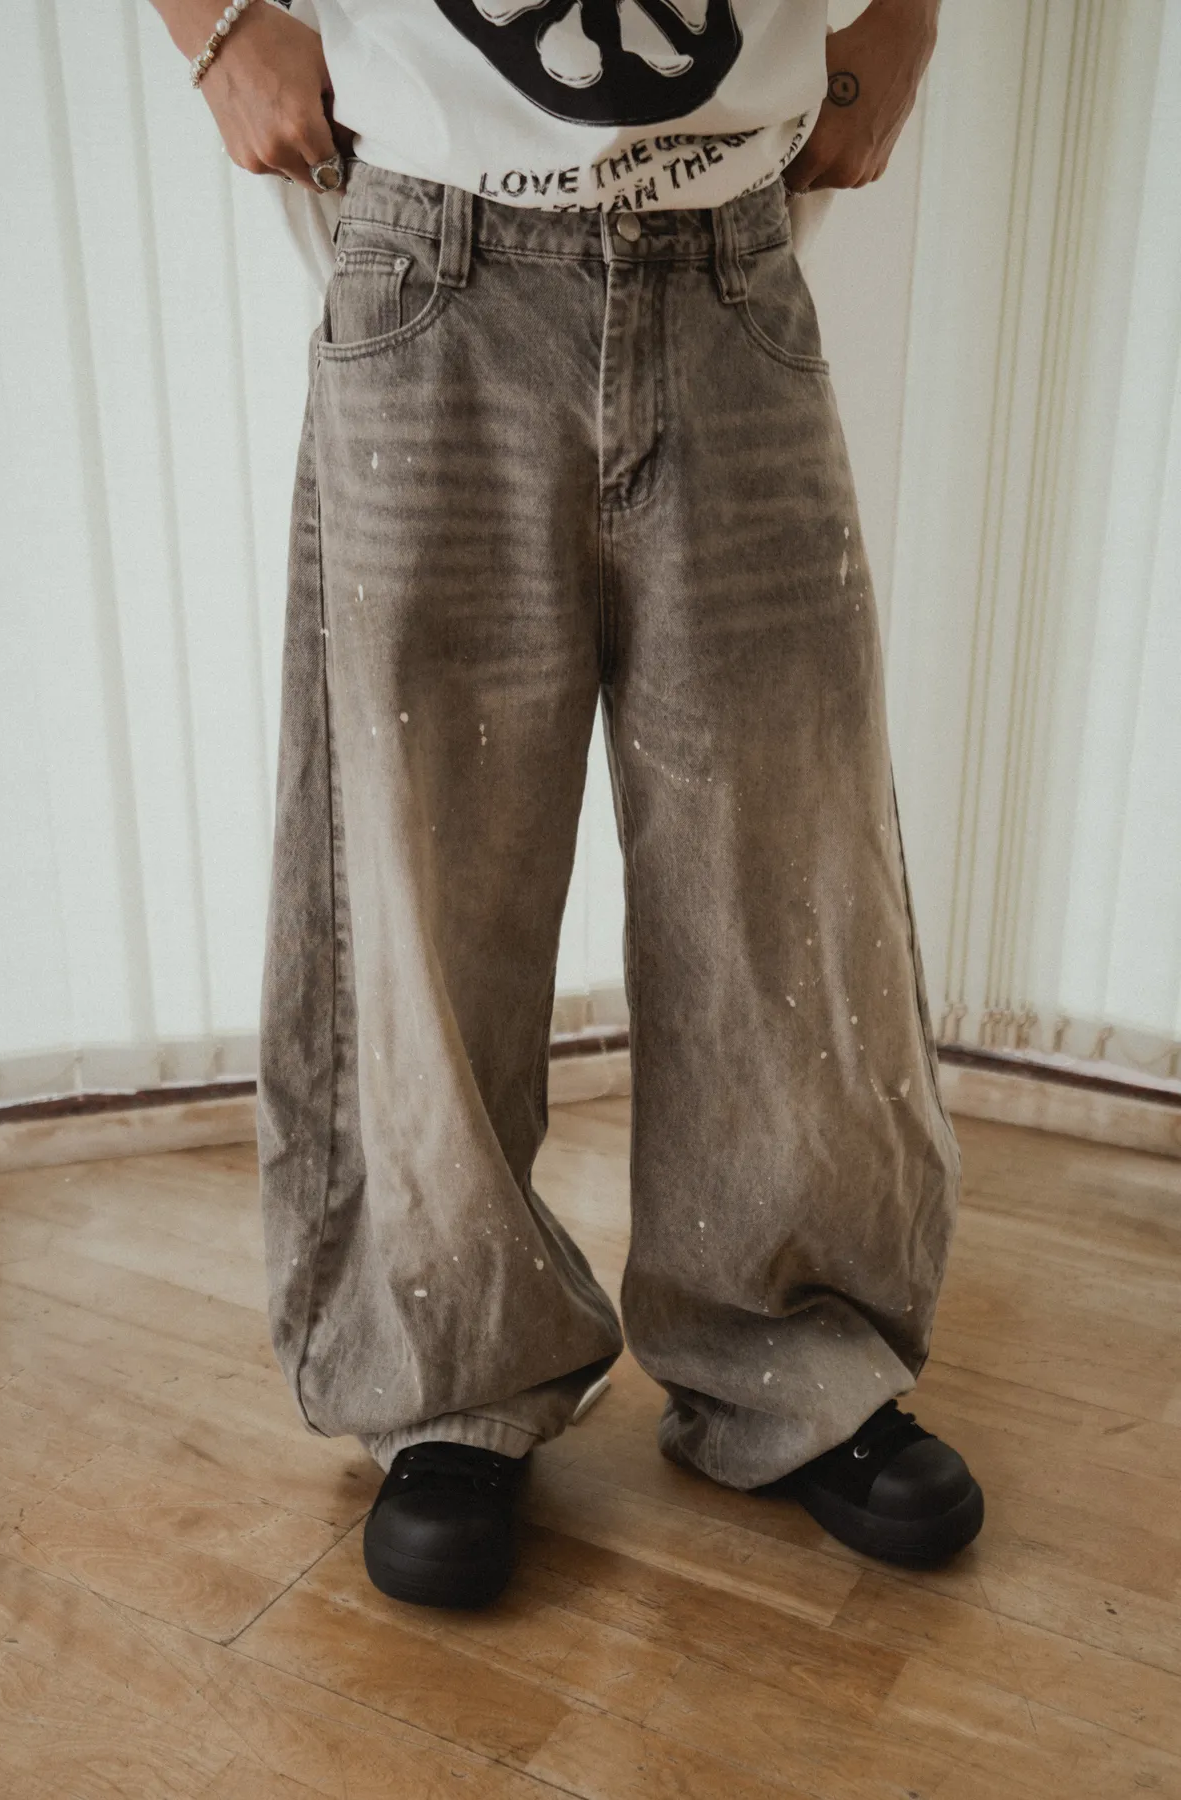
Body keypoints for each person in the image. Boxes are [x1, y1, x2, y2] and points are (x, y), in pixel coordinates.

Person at [149, 0, 982, 1609]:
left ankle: (793, 1355)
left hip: (730, 254)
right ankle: (447, 1374)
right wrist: (216, 26)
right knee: (424, 860)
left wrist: (908, 23)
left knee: (786, 856)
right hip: (432, 250)